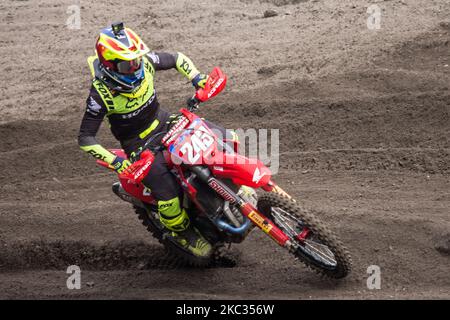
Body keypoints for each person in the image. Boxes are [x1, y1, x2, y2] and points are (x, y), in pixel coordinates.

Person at [78, 22, 225, 257]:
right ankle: (183, 233)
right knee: (168, 196)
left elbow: (176, 58)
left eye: (136, 59)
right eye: (128, 64)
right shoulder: (100, 93)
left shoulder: (144, 63)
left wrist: (197, 78)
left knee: (220, 136)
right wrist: (117, 163)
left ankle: (233, 187)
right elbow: (85, 138)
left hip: (165, 121)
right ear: (110, 65)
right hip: (139, 146)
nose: (136, 66)